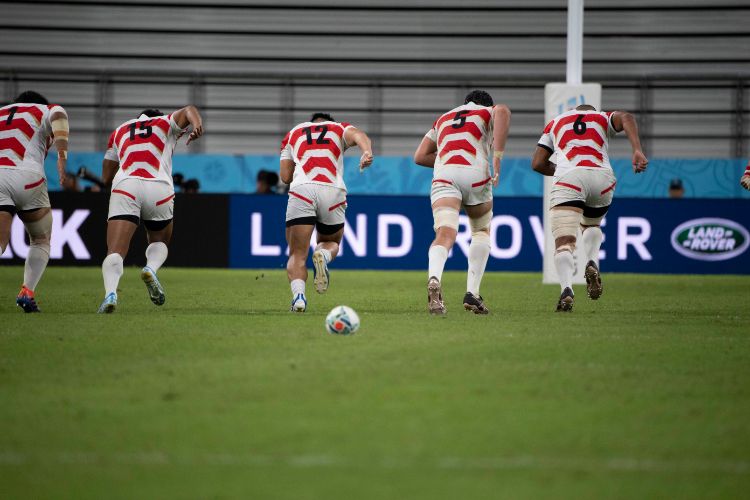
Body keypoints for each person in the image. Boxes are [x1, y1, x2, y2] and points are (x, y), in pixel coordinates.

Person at [531, 104, 648, 312]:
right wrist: (637, 149)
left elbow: (538, 163)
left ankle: (567, 290)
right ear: (592, 110)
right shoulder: (603, 118)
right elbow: (627, 117)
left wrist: (565, 172)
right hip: (602, 178)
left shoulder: (556, 122)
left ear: (574, 110)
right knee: (592, 224)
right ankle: (593, 261)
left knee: (564, 243)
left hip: (569, 177)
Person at [97, 106, 203, 313]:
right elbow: (189, 110)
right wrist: (197, 125)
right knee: (160, 241)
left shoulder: (119, 130)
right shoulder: (165, 123)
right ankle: (150, 268)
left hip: (126, 186)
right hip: (159, 186)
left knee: (116, 251)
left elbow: (106, 178)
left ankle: (111, 294)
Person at [413, 90, 511, 315]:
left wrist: (446, 162)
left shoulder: (444, 118)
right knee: (481, 232)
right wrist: (497, 156)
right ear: (487, 104)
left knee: (445, 234)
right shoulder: (487, 112)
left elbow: (419, 156)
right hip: (476, 172)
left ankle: (435, 278)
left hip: (445, 175)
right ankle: (472, 293)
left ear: (465, 103)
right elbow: (504, 111)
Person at [280, 112, 373, 312]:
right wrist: (366, 152)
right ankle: (323, 254)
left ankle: (299, 298)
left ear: (310, 123)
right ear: (328, 123)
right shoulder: (338, 128)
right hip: (332, 191)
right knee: (331, 242)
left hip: (302, 190)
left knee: (297, 253)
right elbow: (359, 135)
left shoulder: (293, 133)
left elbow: (285, 176)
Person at [0, 91, 68, 313]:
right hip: (29, 178)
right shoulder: (44, 110)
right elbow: (59, 114)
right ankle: (27, 292)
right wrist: (62, 154)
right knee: (40, 239)